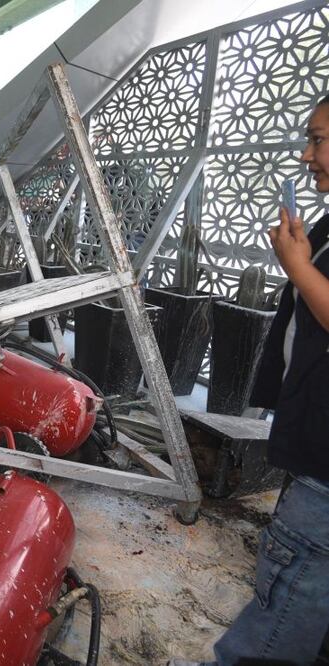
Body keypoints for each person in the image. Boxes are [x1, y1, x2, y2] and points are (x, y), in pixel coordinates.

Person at [170, 95, 329, 666]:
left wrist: (299, 269)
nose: (308, 154)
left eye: (318, 139)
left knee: (279, 618)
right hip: (310, 442)